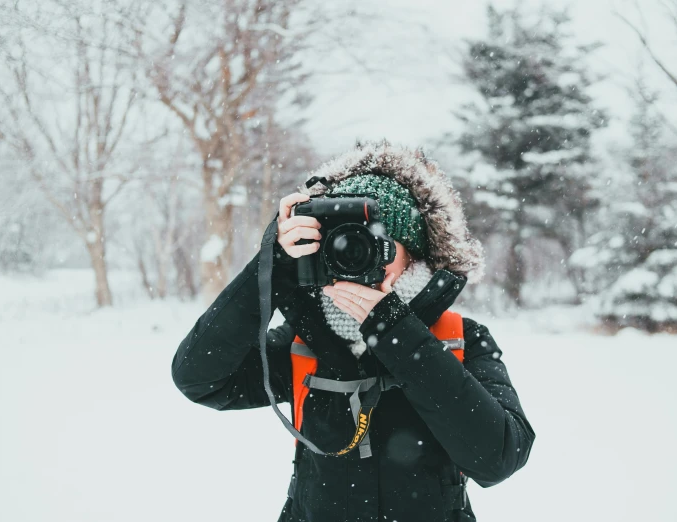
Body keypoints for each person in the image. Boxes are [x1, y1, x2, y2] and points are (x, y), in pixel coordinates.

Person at [171, 141, 535, 522]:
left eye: (375, 245)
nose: (353, 256)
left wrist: (395, 330)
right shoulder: (308, 338)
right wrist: (270, 268)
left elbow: (500, 458)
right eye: (340, 244)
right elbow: (200, 379)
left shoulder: (459, 338)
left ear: (414, 253)